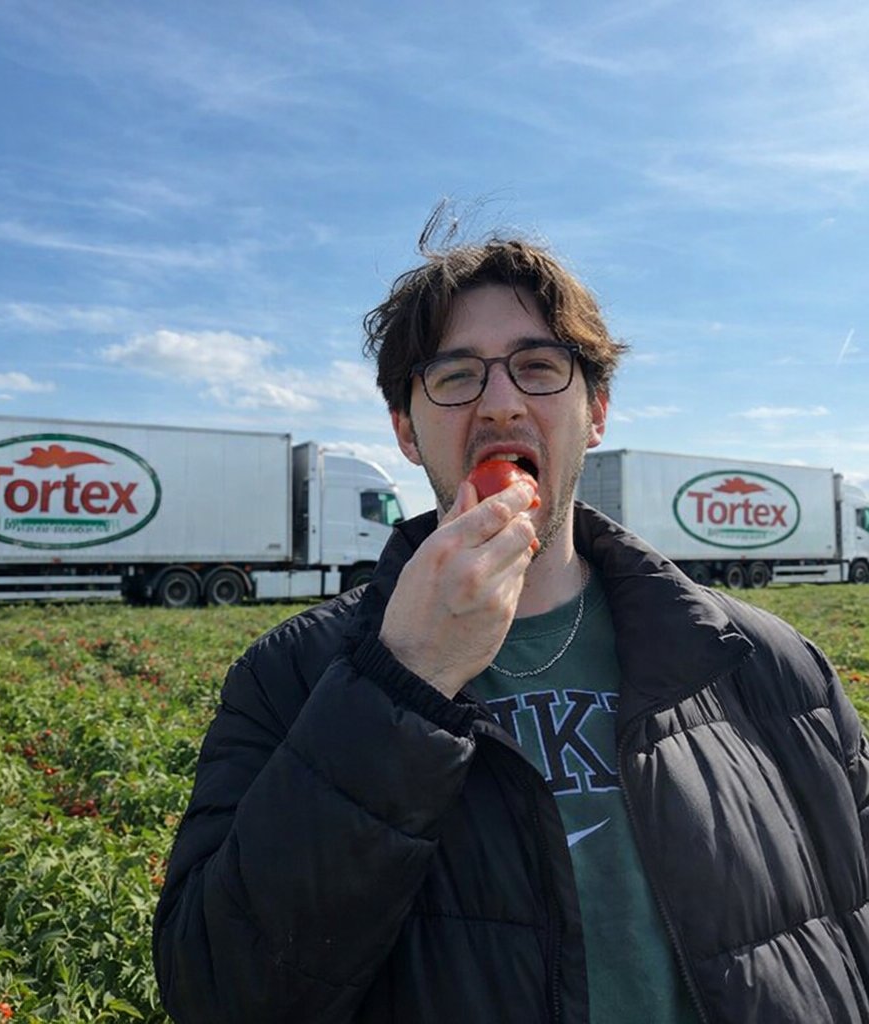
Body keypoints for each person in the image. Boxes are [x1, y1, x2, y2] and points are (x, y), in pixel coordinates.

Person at [153, 217, 869, 1024]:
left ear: (596, 413)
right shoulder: (288, 676)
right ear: (405, 430)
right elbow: (217, 991)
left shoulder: (768, 665)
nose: (501, 404)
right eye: (456, 376)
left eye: (538, 366)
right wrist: (405, 677)